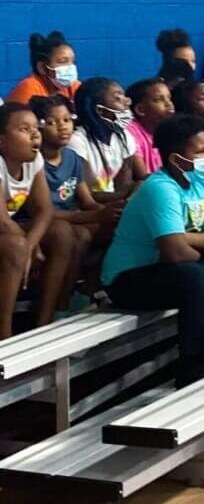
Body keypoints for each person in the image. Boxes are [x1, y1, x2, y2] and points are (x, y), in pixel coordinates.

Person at [101, 115, 204, 387]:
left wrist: (185, 240)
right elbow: (174, 254)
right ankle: (194, 371)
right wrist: (188, 245)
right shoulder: (160, 188)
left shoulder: (201, 180)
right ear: (176, 159)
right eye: (200, 151)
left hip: (174, 266)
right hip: (128, 278)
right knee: (197, 278)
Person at [0, 103, 78, 334]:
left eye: (36, 127)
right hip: (4, 229)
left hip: (8, 230)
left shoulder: (34, 161)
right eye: (24, 129)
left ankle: (43, 324)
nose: (35, 134)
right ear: (2, 141)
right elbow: (3, 221)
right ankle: (5, 335)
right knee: (16, 246)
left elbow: (45, 210)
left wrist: (32, 245)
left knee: (61, 232)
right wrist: (25, 249)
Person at [32, 94, 120, 258]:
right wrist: (96, 216)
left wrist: (112, 211)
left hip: (72, 218)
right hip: (47, 222)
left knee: (116, 228)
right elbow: (44, 212)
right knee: (76, 235)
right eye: (52, 122)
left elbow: (87, 201)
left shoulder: (72, 157)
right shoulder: (34, 162)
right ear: (38, 127)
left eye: (67, 120)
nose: (62, 127)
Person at [69, 77, 146, 202]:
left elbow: (122, 185)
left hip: (111, 203)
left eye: (124, 97)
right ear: (100, 110)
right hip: (86, 210)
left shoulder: (125, 137)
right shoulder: (77, 142)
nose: (127, 103)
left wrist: (132, 191)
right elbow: (82, 197)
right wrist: (126, 194)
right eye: (118, 98)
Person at [8, 31, 80, 104]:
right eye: (63, 61)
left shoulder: (73, 85)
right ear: (42, 67)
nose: (70, 67)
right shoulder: (29, 89)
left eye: (73, 62)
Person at [125, 78, 176, 176]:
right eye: (159, 100)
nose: (169, 104)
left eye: (169, 98)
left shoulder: (167, 129)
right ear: (140, 109)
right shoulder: (130, 132)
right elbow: (142, 177)